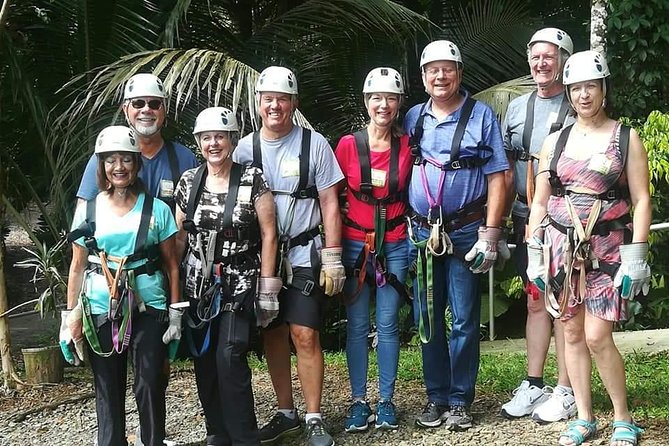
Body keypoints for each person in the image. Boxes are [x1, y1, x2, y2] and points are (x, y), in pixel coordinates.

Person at [526, 50, 650, 446]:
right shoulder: (555, 141)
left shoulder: (625, 137)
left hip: (608, 248)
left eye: (590, 87)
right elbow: (541, 200)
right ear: (567, 91)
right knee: (572, 332)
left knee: (598, 335)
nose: (583, 95)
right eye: (576, 87)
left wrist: (637, 253)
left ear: (603, 89)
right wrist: (533, 247)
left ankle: (622, 417)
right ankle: (583, 416)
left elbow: (642, 198)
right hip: (561, 247)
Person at [232, 66, 345, 446]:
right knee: (273, 333)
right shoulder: (245, 148)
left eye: (282, 98)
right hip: (261, 257)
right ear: (258, 103)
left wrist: (332, 255)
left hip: (303, 252)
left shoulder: (315, 145)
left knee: (305, 333)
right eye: (269, 99)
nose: (275, 105)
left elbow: (330, 201)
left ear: (294, 103)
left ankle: (313, 415)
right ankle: (286, 413)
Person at [405, 40, 508, 431]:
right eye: (433, 69)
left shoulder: (481, 116)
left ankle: (460, 400)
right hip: (422, 232)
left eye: (448, 69)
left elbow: (497, 176)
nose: (441, 76)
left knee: (464, 319)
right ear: (424, 77)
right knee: (427, 317)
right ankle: (436, 396)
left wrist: (491, 233)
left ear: (459, 74)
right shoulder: (415, 116)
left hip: (466, 232)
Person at [63, 125, 181, 446]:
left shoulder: (156, 209)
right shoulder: (88, 210)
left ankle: (152, 441)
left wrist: (175, 313)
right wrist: (69, 317)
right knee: (107, 387)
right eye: (111, 160)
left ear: (136, 164)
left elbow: (172, 264)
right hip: (101, 306)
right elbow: (77, 266)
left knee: (149, 382)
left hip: (149, 307)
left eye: (126, 160)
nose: (119, 167)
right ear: (101, 166)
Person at [173, 107, 279, 445]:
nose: (213, 143)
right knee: (204, 359)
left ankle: (245, 436)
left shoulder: (252, 178)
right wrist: (174, 294)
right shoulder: (189, 182)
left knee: (229, 354)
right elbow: (178, 238)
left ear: (232, 140)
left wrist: (266, 290)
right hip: (198, 284)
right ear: (199, 143)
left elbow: (269, 234)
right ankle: (217, 432)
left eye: (220, 136)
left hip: (241, 280)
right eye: (206, 138)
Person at [501, 27, 577, 423]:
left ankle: (566, 388)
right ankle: (534, 382)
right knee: (535, 299)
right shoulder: (516, 108)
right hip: (523, 218)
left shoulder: (579, 101)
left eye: (549, 56)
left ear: (564, 60)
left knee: (564, 304)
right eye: (535, 57)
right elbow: (502, 164)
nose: (541, 64)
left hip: (566, 221)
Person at [334, 67, 413, 432]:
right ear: (367, 102)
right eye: (377, 98)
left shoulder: (408, 145)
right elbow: (332, 198)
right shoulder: (349, 146)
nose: (384, 105)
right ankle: (358, 401)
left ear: (399, 104)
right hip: (354, 243)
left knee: (387, 325)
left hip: (394, 243)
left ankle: (386, 401)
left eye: (391, 98)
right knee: (357, 325)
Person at [77, 73, 198, 208]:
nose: (146, 110)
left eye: (154, 104)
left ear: (165, 109)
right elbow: (83, 216)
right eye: (138, 103)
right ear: (125, 109)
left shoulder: (185, 158)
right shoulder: (105, 157)